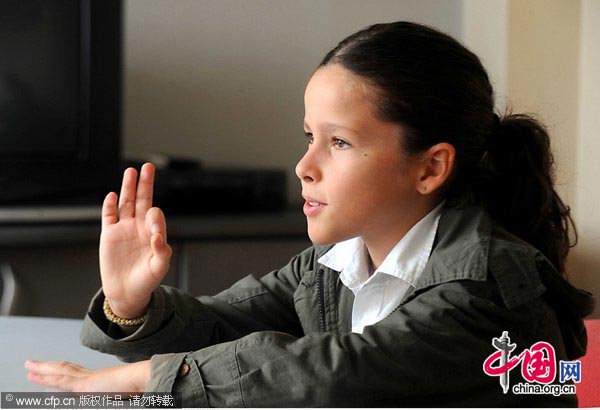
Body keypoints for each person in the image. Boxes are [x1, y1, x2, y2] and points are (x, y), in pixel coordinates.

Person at [25, 21, 595, 407]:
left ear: (430, 167)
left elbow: (336, 371)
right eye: (308, 137)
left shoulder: (489, 292)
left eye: (339, 143)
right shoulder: (332, 265)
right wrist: (130, 305)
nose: (303, 166)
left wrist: (138, 380)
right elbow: (222, 328)